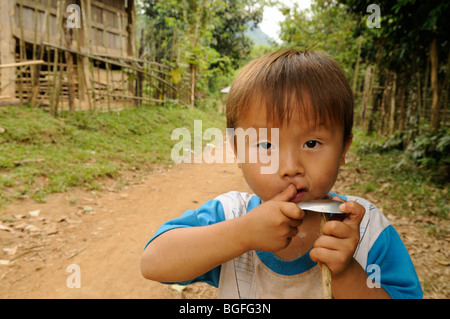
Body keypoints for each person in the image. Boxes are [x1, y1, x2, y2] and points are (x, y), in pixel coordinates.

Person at [140, 49, 423, 299]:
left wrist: (347, 272)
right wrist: (242, 235)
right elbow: (153, 263)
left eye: (312, 143)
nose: (289, 167)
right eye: (266, 145)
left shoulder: (366, 228)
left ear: (343, 148)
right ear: (238, 151)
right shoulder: (230, 216)